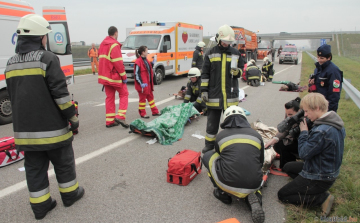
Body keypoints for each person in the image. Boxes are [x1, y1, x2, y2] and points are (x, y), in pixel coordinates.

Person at [5, 14, 84, 220]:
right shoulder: (47, 58)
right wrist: (72, 117)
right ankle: (70, 195)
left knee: (34, 169)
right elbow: (61, 95)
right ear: (40, 37)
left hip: (25, 132)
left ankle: (41, 207)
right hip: (53, 129)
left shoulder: (11, 63)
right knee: (63, 163)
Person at [278, 93, 345, 217]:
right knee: (288, 167)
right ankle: (311, 190)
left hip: (319, 176)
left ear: (317, 108)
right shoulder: (335, 122)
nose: (306, 115)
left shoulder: (322, 131)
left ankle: (321, 198)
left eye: (307, 111)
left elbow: (304, 153)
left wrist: (304, 132)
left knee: (283, 195)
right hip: (326, 170)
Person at [202, 106, 265, 223]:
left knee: (208, 155)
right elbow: (261, 162)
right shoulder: (256, 135)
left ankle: (221, 193)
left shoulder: (221, 135)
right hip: (255, 182)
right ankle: (253, 194)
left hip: (228, 183)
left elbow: (220, 157)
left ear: (225, 119)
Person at [200, 24, 244, 153]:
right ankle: (209, 145)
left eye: (229, 42)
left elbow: (242, 70)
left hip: (230, 96)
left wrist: (238, 72)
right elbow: (205, 74)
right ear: (219, 39)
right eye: (225, 41)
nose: (227, 44)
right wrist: (203, 90)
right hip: (214, 95)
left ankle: (231, 145)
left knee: (232, 123)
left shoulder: (236, 53)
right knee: (212, 123)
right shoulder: (210, 53)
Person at [98, 26, 129, 128]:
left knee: (110, 98)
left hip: (105, 77)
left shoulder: (102, 44)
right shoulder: (114, 45)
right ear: (116, 33)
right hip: (114, 76)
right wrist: (124, 76)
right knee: (124, 94)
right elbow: (118, 63)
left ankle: (110, 121)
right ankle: (120, 116)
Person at [264, 97, 301, 168]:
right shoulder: (290, 116)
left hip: (303, 143)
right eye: (287, 114)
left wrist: (287, 140)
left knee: (283, 144)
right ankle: (289, 162)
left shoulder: (304, 118)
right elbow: (285, 130)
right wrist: (274, 139)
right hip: (297, 140)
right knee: (277, 144)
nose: (288, 117)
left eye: (290, 114)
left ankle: (288, 166)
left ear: (299, 111)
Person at [308, 44, 343, 112]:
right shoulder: (318, 69)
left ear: (329, 58)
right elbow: (317, 87)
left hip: (326, 108)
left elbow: (334, 95)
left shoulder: (333, 71)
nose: (319, 60)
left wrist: (329, 111)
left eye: (322, 58)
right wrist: (311, 84)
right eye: (318, 57)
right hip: (317, 106)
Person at [134, 45, 160, 118]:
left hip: (148, 84)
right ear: (143, 52)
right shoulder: (138, 61)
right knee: (142, 100)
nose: (147, 52)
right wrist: (141, 83)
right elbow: (137, 74)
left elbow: (147, 68)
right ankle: (143, 113)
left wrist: (152, 63)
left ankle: (155, 111)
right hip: (143, 85)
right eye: (146, 50)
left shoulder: (146, 60)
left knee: (151, 98)